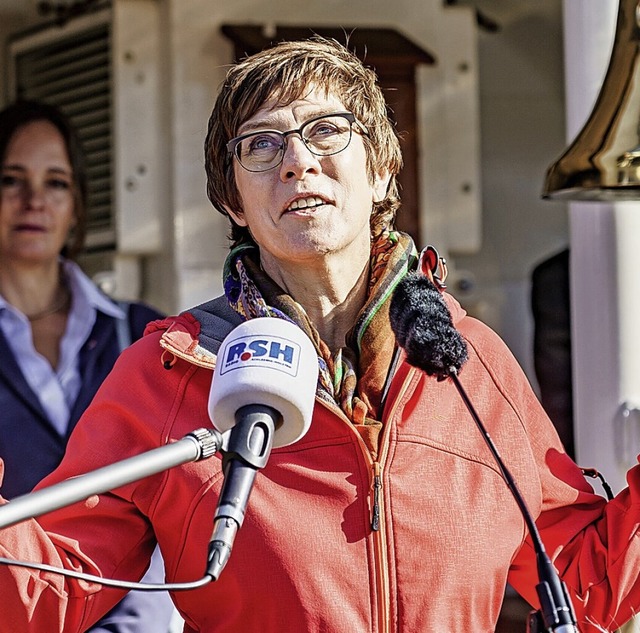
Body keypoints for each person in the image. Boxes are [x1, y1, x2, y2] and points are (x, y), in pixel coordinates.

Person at [0, 38, 639, 633]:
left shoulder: (469, 362)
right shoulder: (171, 369)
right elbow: (45, 585)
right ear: (233, 202)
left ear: (383, 170)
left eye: (327, 132)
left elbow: (589, 583)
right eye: (261, 145)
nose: (298, 161)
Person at [0, 100, 175, 632]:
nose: (35, 200)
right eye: (11, 180)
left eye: (56, 182)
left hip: (137, 617)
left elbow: (179, 494)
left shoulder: (142, 336)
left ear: (77, 204)